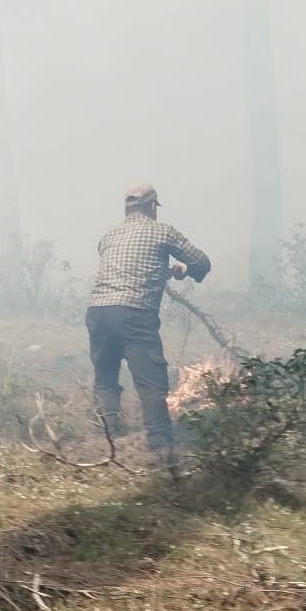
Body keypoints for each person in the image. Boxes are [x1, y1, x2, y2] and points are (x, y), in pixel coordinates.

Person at [86, 183, 210, 455]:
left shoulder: (108, 237)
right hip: (134, 313)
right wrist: (186, 269)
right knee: (151, 380)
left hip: (98, 312)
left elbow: (131, 269)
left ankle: (103, 438)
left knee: (105, 377)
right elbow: (202, 262)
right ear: (152, 206)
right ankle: (161, 446)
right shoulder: (162, 231)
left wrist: (167, 271)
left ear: (127, 208)